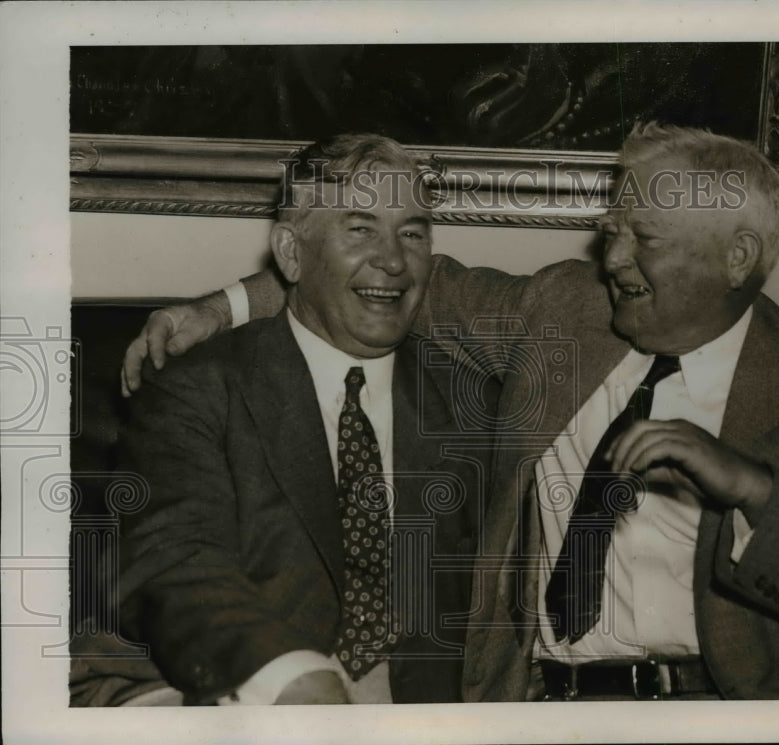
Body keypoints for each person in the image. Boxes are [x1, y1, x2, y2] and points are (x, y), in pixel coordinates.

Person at [122, 124, 779, 700]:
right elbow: (392, 279)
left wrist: (754, 489)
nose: (611, 260)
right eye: (610, 232)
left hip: (728, 708)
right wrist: (223, 307)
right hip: (547, 702)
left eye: (640, 238)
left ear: (736, 259)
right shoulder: (568, 312)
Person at [75, 134, 497, 706]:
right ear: (292, 254)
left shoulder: (473, 403)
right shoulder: (196, 390)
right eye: (360, 229)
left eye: (413, 233)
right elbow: (175, 558)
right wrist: (286, 674)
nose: (394, 260)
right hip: (257, 693)